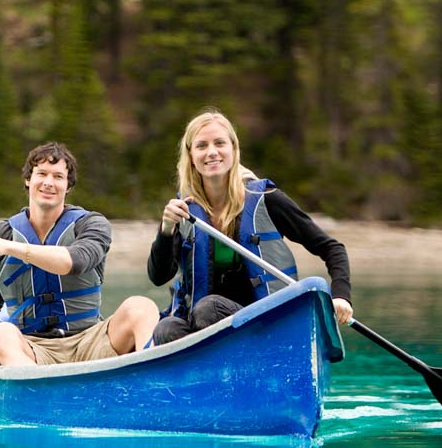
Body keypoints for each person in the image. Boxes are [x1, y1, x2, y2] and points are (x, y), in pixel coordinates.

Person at [0, 142, 160, 368]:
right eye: (42, 174)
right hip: (34, 348)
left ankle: (149, 381)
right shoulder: (4, 233)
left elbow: (74, 261)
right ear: (28, 180)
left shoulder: (92, 224)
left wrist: (8, 247)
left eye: (58, 177)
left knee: (141, 306)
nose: (49, 182)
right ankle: (37, 390)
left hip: (89, 340)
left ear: (68, 186)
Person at [148, 109, 353, 346]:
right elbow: (158, 276)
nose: (212, 152)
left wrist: (341, 297)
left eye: (219, 143)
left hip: (265, 321)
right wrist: (166, 229)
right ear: (191, 156)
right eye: (202, 145)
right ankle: (205, 378)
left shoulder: (266, 199)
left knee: (208, 308)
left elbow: (332, 248)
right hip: (203, 324)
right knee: (166, 328)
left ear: (233, 150)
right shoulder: (183, 210)